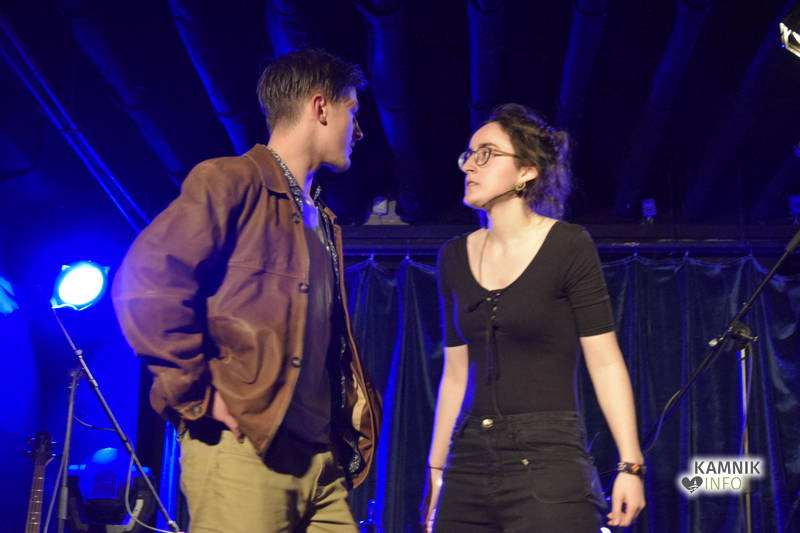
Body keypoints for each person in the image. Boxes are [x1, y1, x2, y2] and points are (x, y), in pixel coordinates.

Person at [112, 48, 380, 533]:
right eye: (352, 111)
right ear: (321, 107)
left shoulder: (324, 221)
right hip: (245, 450)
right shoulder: (231, 181)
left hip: (321, 463)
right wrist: (195, 393)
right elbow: (144, 282)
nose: (358, 130)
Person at [422, 103, 645, 532]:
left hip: (547, 456)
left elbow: (605, 361)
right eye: (469, 154)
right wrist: (436, 471)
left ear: (526, 171)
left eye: (487, 153)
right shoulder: (452, 256)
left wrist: (630, 464)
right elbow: (455, 374)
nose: (469, 165)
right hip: (468, 458)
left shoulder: (568, 245)